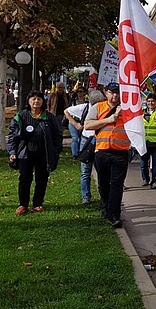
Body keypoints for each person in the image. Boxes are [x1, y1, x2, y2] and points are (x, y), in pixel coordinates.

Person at [8, 90, 63, 215]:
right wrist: (12, 151)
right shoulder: (21, 116)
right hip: (25, 153)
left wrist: (55, 150)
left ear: (43, 101)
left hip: (44, 154)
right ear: (28, 101)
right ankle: (23, 204)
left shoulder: (49, 118)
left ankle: (38, 203)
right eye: (33, 99)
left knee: (42, 179)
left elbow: (57, 136)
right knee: (25, 179)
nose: (36, 101)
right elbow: (12, 136)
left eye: (39, 99)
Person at [84, 82, 129, 228]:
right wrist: (109, 120)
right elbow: (88, 125)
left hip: (120, 152)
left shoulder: (127, 109)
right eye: (112, 92)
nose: (115, 95)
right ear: (106, 92)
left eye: (117, 92)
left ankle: (115, 214)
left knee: (116, 184)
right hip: (102, 151)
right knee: (103, 184)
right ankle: (105, 207)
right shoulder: (98, 107)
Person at [64, 90, 106, 204]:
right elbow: (66, 111)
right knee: (85, 171)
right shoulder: (84, 108)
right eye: (96, 103)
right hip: (86, 141)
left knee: (102, 171)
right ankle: (86, 196)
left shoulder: (105, 108)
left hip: (100, 141)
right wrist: (76, 124)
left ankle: (104, 196)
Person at [65, 87, 88, 156]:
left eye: (81, 91)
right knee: (75, 138)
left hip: (83, 122)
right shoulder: (73, 101)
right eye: (78, 92)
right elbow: (67, 111)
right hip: (73, 122)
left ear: (84, 92)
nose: (79, 93)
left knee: (82, 138)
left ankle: (81, 152)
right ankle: (75, 154)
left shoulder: (87, 101)